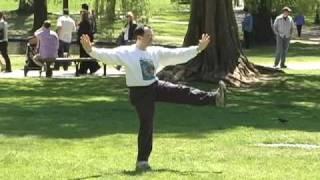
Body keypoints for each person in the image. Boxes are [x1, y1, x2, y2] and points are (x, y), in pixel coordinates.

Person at [80, 25, 227, 172]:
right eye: (149, 36)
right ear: (139, 37)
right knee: (147, 124)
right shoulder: (127, 52)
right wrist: (90, 50)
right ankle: (142, 161)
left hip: (154, 85)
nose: (152, 38)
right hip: (140, 93)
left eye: (152, 35)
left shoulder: (154, 51)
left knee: (183, 92)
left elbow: (176, 54)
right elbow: (107, 55)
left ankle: (214, 98)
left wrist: (198, 49)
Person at [78, 6, 100, 74]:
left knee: (85, 55)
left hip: (84, 41)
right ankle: (91, 68)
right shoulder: (88, 23)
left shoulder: (83, 23)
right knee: (87, 55)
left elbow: (82, 33)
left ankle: (84, 69)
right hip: (88, 41)